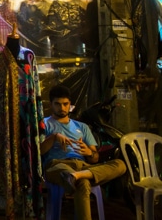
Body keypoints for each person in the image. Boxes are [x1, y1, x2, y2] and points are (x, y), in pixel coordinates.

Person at [40, 85, 127, 219]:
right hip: (57, 165)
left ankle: (78, 176)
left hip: (83, 165)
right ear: (51, 104)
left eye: (65, 104)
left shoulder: (82, 127)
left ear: (70, 104)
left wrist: (88, 153)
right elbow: (39, 152)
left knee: (120, 164)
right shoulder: (44, 124)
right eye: (57, 104)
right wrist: (54, 137)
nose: (62, 108)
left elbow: (94, 159)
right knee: (83, 184)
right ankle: (77, 176)